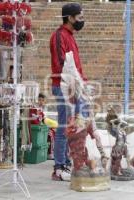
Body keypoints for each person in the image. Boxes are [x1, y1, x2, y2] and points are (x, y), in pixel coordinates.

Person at [49, 3, 86, 181]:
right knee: (64, 126)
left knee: (73, 127)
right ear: (70, 18)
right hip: (64, 87)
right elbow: (60, 63)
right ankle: (59, 167)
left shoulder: (70, 36)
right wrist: (72, 86)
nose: (81, 20)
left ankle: (66, 162)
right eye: (79, 17)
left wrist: (82, 84)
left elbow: (76, 67)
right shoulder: (59, 36)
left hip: (75, 88)